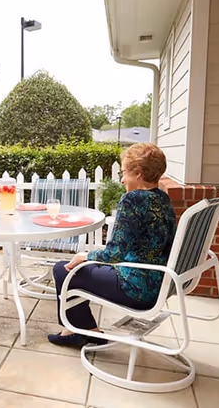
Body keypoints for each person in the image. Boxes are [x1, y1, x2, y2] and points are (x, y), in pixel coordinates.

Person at [48, 143, 176, 347]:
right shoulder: (162, 199)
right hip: (158, 282)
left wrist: (85, 256)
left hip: (136, 288)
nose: (123, 179)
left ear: (139, 174)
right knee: (79, 271)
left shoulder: (132, 200)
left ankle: (81, 331)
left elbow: (114, 254)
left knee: (63, 269)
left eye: (124, 173)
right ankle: (81, 329)